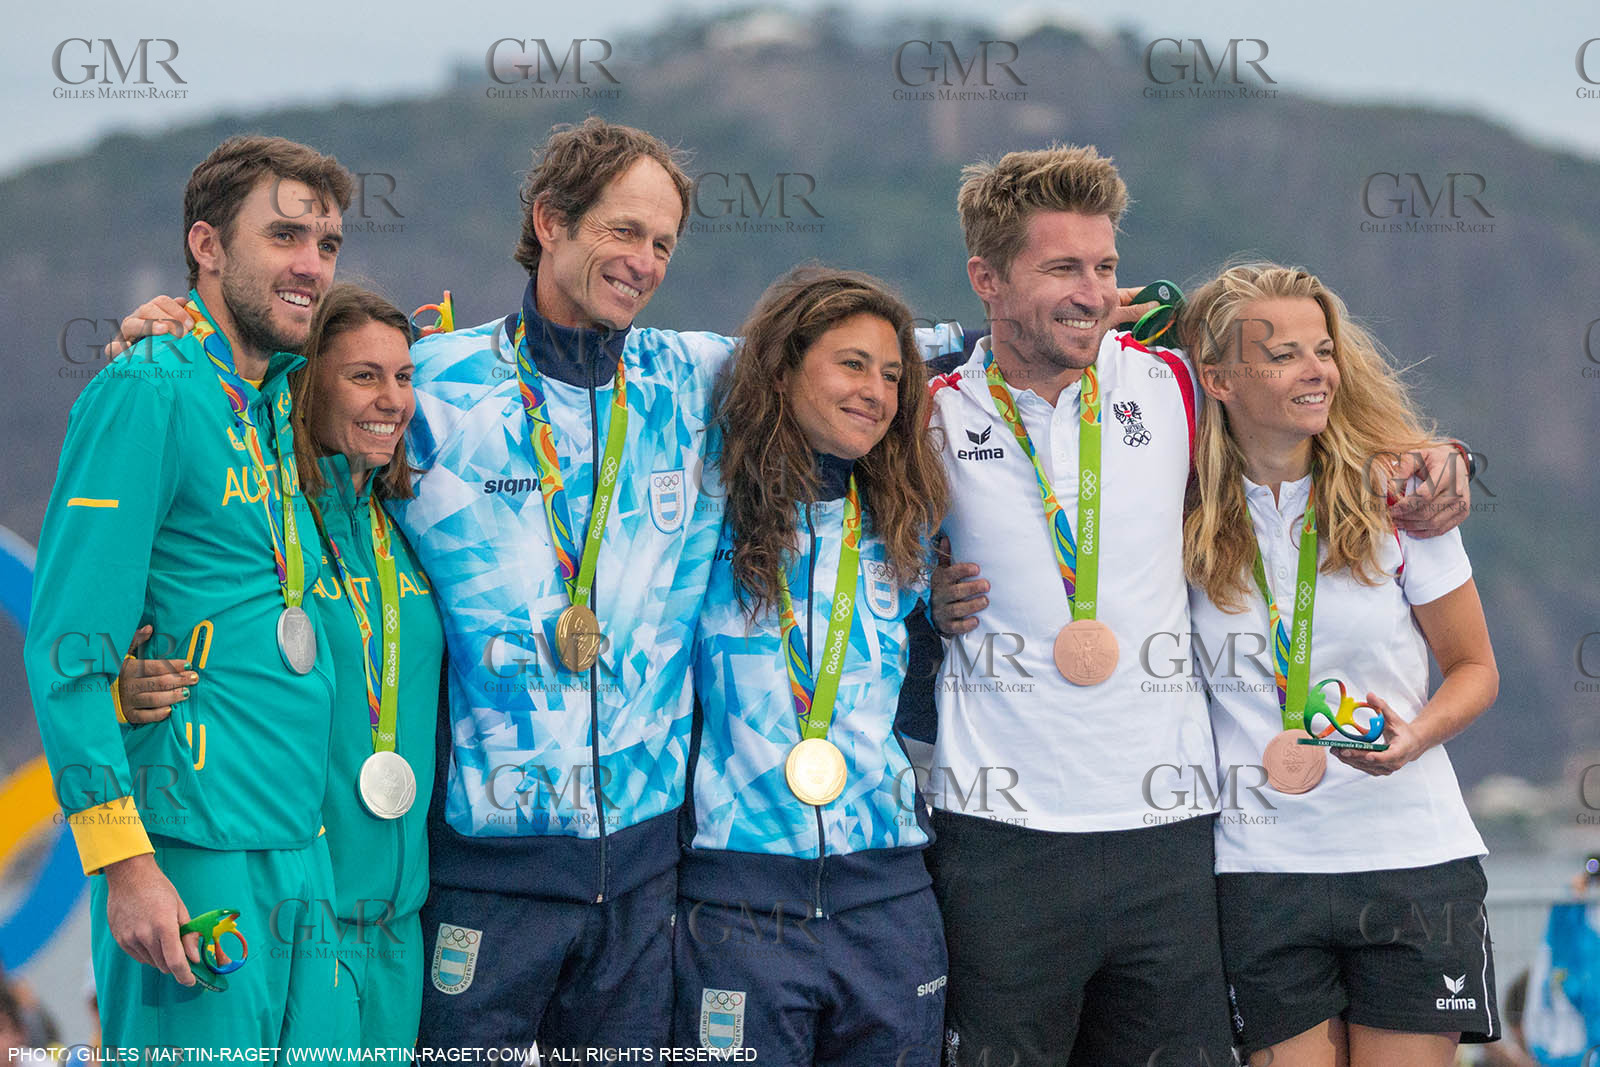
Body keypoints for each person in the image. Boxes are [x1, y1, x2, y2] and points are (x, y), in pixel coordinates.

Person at [921, 146, 1474, 1067]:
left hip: (1170, 840)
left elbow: (1303, 404)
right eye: (1061, 268)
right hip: (998, 839)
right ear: (986, 278)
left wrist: (1438, 458)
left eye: (1103, 267)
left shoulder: (1170, 382)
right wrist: (927, 610)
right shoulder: (929, 413)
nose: (1092, 292)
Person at [23, 135, 351, 1051]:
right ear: (206, 246)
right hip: (190, 849)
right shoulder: (148, 387)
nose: (311, 265)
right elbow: (67, 651)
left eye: (326, 244)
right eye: (284, 236)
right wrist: (126, 866)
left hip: (302, 854)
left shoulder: (286, 401)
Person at [1180, 262, 1498, 1066]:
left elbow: (1474, 667)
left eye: (1322, 349)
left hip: (1411, 861)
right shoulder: (1175, 511)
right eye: (1282, 353)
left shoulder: (1403, 494)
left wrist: (1415, 737)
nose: (1316, 369)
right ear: (1216, 377)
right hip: (1257, 869)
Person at [118, 283, 446, 1048]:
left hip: (399, 927)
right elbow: (129, 617)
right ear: (303, 382)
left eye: (403, 376)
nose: (392, 399)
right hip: (291, 904)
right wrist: (117, 691)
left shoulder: (408, 524)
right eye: (363, 375)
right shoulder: (267, 523)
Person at [676, 267, 949, 1062]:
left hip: (888, 893)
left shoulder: (907, 523)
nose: (876, 390)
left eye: (894, 374)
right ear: (785, 367)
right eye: (852, 364)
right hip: (738, 896)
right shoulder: (703, 507)